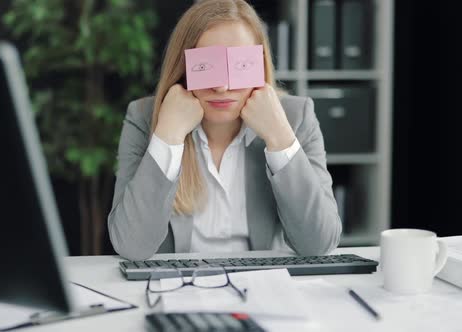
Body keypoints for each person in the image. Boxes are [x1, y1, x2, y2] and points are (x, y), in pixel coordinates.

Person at [107, 0, 342, 261]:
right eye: (205, 67)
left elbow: (319, 244)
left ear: (260, 66)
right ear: (183, 67)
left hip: (264, 286)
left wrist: (280, 139)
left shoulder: (296, 118)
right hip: (177, 291)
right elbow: (131, 246)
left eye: (240, 66)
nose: (222, 86)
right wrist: (168, 136)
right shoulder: (143, 118)